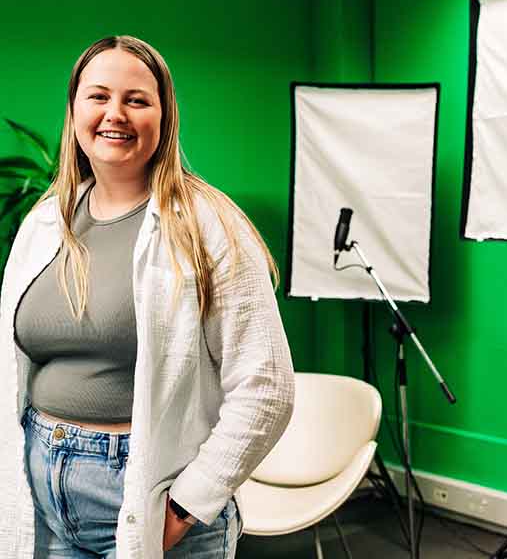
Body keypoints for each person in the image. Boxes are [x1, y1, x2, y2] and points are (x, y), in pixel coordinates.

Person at [0, 35, 295, 559]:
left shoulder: (209, 224)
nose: (116, 113)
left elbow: (266, 387)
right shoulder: (46, 221)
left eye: (136, 99)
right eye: (98, 96)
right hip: (42, 499)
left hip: (147, 497)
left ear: (164, 116)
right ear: (74, 111)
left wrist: (185, 509)